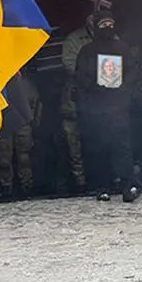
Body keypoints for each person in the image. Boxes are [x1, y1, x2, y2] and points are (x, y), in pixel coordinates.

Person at [76, 11, 140, 203]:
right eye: (103, 25)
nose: (107, 28)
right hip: (96, 109)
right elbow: (81, 76)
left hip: (118, 108)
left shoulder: (123, 49)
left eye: (110, 24)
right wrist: (96, 87)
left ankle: (127, 186)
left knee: (122, 149)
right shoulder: (87, 51)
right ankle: (102, 187)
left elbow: (132, 72)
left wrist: (122, 89)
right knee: (99, 149)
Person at [58, 15, 93, 192]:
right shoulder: (74, 39)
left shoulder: (113, 39)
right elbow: (69, 63)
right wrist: (92, 77)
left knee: (100, 140)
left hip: (103, 101)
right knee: (74, 143)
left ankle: (102, 176)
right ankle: (80, 181)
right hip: (76, 98)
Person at [0, 76, 39, 198]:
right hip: (6, 124)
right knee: (6, 159)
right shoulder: (2, 83)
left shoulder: (25, 84)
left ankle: (23, 186)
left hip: (17, 123)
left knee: (21, 158)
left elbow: (36, 104)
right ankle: (9, 187)